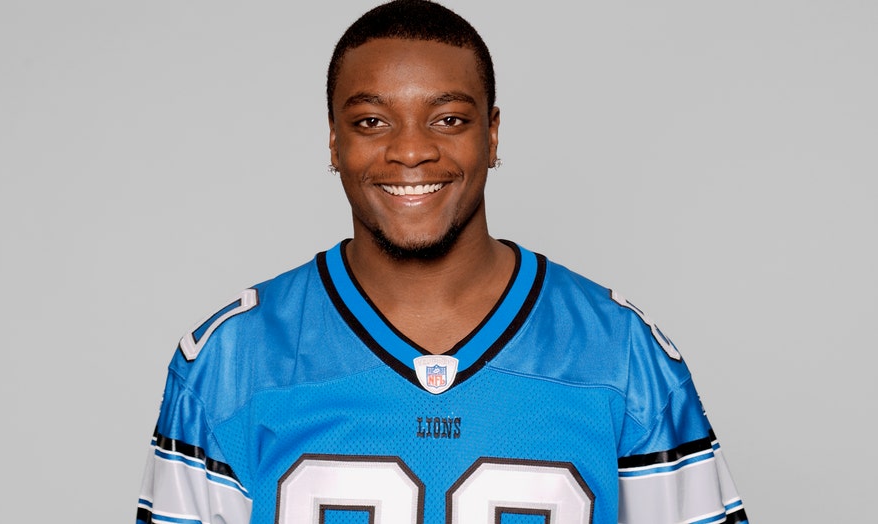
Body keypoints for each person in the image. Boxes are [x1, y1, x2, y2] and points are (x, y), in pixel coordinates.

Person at [136, 1, 749, 523]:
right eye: (372, 121)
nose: (410, 151)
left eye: (448, 119)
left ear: (493, 134)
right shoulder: (229, 360)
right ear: (333, 140)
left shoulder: (622, 354)